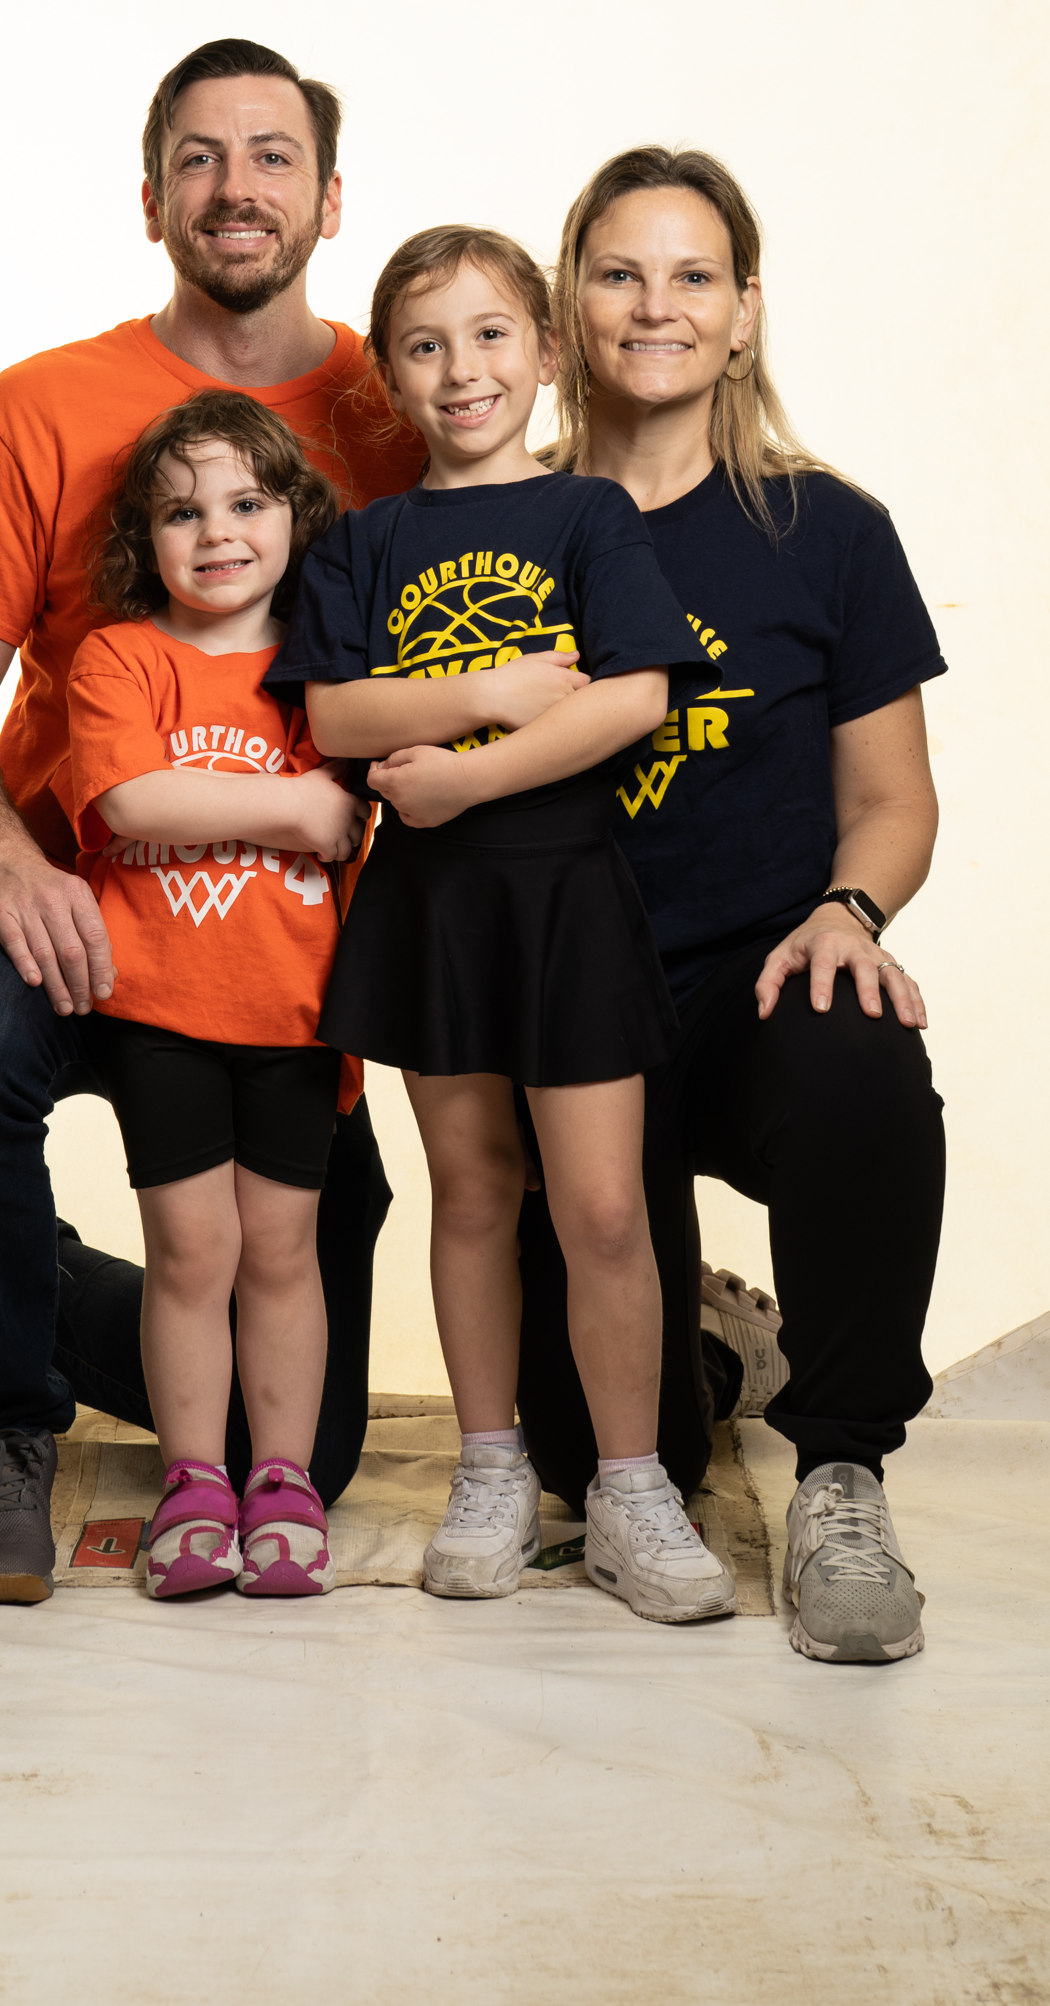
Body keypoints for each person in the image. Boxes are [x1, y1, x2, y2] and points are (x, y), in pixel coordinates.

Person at [0, 37, 422, 1608]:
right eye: (199, 156)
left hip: (287, 946)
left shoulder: (400, 414)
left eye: (271, 155)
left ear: (330, 198)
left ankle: (11, 1292)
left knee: (299, 1446)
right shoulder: (42, 405)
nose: (235, 187)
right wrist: (5, 864)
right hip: (75, 894)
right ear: (150, 198)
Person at [517, 146, 947, 1666]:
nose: (658, 306)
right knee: (587, 1453)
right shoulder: (499, 522)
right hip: (569, 1011)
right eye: (620, 273)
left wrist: (847, 910)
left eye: (693, 275)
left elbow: (893, 800)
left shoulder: (828, 531)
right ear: (569, 304)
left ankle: (841, 1469)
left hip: (757, 987)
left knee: (863, 1053)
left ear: (745, 310)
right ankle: (705, 1352)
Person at [269, 226, 733, 1624]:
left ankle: (631, 1488)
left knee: (602, 1206)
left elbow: (635, 697)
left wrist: (467, 774)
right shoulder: (367, 540)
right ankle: (489, 1466)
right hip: (437, 909)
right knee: (470, 1191)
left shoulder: (589, 517)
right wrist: (499, 687)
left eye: (487, 335)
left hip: (567, 897)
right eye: (424, 344)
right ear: (389, 376)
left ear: (542, 351)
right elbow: (334, 713)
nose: (460, 368)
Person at [69, 392, 365, 1599]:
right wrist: (292, 803)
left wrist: (304, 808)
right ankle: (193, 1479)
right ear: (144, 539)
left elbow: (355, 818)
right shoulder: (119, 657)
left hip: (295, 1014)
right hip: (162, 1013)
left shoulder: (324, 667)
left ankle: (282, 1481)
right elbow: (132, 800)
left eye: (246, 502)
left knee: (282, 1252)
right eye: (181, 512)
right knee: (192, 1251)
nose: (217, 532)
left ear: (296, 516)